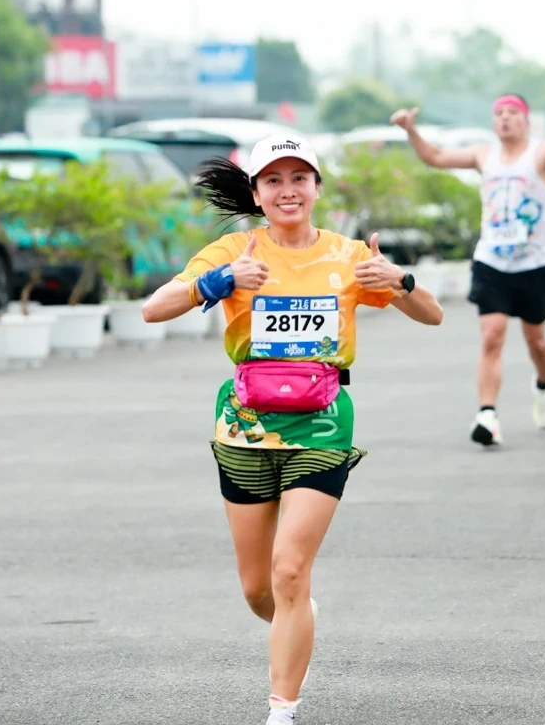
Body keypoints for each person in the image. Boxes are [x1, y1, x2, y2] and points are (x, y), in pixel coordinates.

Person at [141, 133, 444, 724]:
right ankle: (295, 614)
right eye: (274, 180)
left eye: (299, 178)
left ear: (317, 188)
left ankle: (282, 710)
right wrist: (218, 283)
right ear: (256, 191)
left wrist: (399, 280)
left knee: (289, 569)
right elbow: (153, 308)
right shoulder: (234, 250)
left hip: (323, 424)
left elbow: (432, 314)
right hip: (247, 428)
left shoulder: (349, 255)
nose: (288, 191)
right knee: (260, 589)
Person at [390, 95, 545, 447]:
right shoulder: (484, 155)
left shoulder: (543, 154)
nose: (505, 119)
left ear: (525, 120)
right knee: (492, 335)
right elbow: (435, 157)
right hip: (491, 261)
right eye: (499, 113)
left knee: (536, 340)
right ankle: (487, 414)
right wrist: (411, 130)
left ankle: (543, 385)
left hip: (534, 263)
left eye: (513, 113)